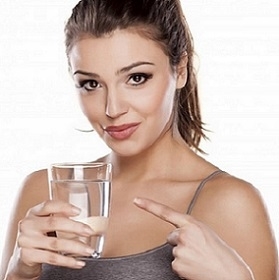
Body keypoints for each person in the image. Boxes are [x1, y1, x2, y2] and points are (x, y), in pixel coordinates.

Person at [1, 0, 278, 279]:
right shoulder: (44, 192)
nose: (112, 109)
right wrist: (17, 274)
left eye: (136, 78)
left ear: (180, 69)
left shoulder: (230, 203)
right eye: (91, 84)